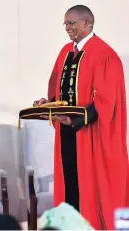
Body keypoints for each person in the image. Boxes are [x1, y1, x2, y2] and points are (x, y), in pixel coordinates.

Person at [33, 5, 129, 230]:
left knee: (92, 187)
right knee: (71, 186)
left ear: (87, 23)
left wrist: (77, 120)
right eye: (65, 23)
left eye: (72, 23)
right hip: (69, 133)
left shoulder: (104, 54)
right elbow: (60, 89)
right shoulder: (66, 51)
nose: (67, 28)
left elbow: (107, 100)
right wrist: (50, 104)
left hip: (90, 133)